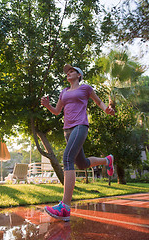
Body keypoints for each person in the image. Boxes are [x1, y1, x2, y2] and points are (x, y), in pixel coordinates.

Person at [41, 64, 115, 222]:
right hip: (67, 130)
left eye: (72, 71)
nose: (68, 73)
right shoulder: (63, 92)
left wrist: (106, 110)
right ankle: (107, 160)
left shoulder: (85, 88)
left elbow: (98, 101)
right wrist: (48, 106)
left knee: (67, 158)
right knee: (81, 163)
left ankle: (65, 208)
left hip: (80, 126)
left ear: (79, 75)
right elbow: (57, 111)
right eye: (67, 71)